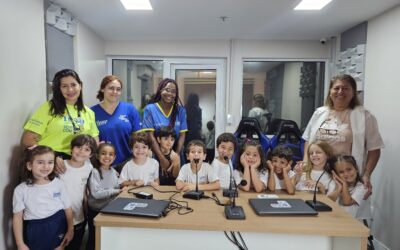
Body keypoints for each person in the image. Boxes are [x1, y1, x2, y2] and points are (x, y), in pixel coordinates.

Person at [303, 74, 384, 199]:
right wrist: (305, 164)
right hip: (318, 172)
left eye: (346, 88)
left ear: (353, 93)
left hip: (345, 174)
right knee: (313, 206)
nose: (340, 92)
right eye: (336, 88)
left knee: (342, 212)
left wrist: (367, 175)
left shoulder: (365, 116)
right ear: (330, 92)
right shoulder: (319, 113)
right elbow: (308, 140)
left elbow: (374, 149)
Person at [21, 69, 99, 162]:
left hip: (77, 162)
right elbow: (27, 140)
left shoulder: (88, 112)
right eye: (64, 86)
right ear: (59, 89)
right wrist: (51, 159)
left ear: (80, 86)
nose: (70, 90)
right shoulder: (48, 108)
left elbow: (94, 142)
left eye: (73, 85)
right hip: (49, 162)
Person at [13, 146, 74, 250]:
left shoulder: (59, 184)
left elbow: (67, 208)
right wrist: (20, 244)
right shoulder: (20, 189)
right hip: (35, 229)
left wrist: (70, 230)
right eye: (40, 162)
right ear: (29, 165)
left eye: (50, 162)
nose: (46, 166)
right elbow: (17, 217)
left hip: (58, 224)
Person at [91, 75, 141, 170]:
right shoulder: (91, 112)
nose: (115, 92)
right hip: (103, 164)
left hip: (128, 162)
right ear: (102, 89)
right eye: (111, 88)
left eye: (118, 89)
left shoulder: (129, 109)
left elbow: (137, 138)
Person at [142, 78, 187, 177]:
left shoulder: (181, 111)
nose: (170, 93)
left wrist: (176, 156)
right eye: (167, 89)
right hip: (157, 154)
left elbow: (182, 135)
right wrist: (162, 159)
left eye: (173, 91)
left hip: (176, 153)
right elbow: (150, 136)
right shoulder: (150, 109)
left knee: (178, 185)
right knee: (158, 185)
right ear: (160, 90)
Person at [59, 134, 97, 250]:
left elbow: (85, 189)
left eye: (86, 149)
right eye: (78, 147)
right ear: (71, 149)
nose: (81, 152)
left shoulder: (89, 168)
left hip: (78, 216)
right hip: (58, 217)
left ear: (90, 154)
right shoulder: (60, 166)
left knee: (75, 246)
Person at [86, 143, 123, 250]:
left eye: (111, 154)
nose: (107, 157)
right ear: (97, 155)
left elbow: (116, 187)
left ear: (115, 157)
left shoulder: (113, 171)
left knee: (106, 237)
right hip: (96, 210)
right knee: (93, 239)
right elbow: (96, 194)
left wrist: (121, 188)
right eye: (103, 153)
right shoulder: (95, 172)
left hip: (109, 209)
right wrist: (117, 191)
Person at [328, 155, 371, 220]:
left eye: (349, 169)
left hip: (352, 223)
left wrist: (344, 184)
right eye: (341, 172)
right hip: (335, 219)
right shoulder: (334, 183)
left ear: (356, 168)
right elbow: (328, 201)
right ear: (335, 174)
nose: (346, 174)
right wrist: (339, 188)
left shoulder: (362, 187)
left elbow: (347, 202)